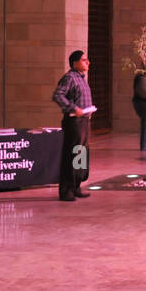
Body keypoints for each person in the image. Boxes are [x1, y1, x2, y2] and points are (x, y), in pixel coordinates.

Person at [52, 50, 93, 201]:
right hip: (73, 123)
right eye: (84, 60)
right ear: (75, 63)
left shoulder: (82, 78)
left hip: (84, 122)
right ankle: (66, 190)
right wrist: (73, 108)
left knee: (81, 154)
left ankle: (76, 186)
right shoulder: (70, 78)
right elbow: (58, 95)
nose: (87, 62)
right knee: (72, 154)